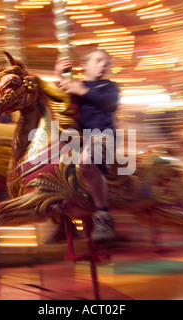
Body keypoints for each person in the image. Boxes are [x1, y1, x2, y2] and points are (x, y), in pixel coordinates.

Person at [54, 49, 120, 242]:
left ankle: (103, 214)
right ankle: (62, 218)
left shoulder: (108, 86)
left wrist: (81, 90)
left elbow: (110, 103)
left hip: (103, 135)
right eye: (98, 60)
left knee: (86, 159)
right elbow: (57, 96)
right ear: (84, 64)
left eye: (105, 62)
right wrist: (58, 74)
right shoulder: (76, 84)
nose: (103, 65)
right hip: (79, 137)